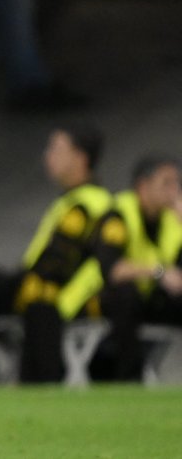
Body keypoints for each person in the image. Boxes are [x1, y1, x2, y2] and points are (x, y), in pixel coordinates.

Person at [0, 123, 111, 383]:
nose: (48, 156)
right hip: (31, 283)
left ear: (80, 158)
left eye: (56, 149)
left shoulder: (87, 204)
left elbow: (58, 263)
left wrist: (33, 297)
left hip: (46, 293)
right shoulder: (73, 200)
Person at [87, 155, 182, 380]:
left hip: (148, 299)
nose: (174, 191)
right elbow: (113, 270)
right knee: (126, 295)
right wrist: (159, 272)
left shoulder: (172, 220)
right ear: (143, 186)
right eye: (166, 183)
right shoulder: (119, 213)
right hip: (98, 299)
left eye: (177, 183)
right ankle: (128, 378)